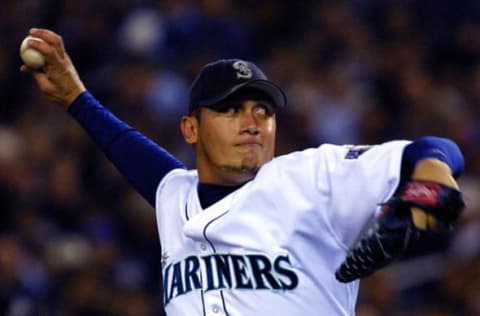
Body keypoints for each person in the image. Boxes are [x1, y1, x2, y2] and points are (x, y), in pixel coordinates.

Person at [22, 28, 465, 315]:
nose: (252, 121)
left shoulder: (310, 179)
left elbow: (433, 150)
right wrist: (76, 100)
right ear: (190, 128)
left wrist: (430, 184)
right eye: (230, 109)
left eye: (262, 110)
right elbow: (132, 154)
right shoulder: (175, 195)